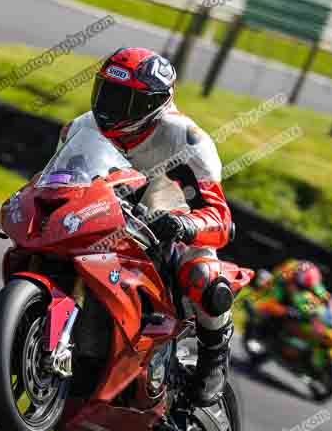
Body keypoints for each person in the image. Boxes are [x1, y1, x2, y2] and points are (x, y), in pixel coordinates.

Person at [57, 47, 234, 407]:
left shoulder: (186, 140)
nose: (111, 106)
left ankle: (214, 355)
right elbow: (57, 181)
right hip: (107, 217)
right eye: (107, 92)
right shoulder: (81, 127)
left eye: (125, 99)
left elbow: (222, 221)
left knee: (204, 275)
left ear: (154, 103)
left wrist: (183, 225)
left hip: (170, 226)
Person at [253, 260, 329, 325]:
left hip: (305, 312)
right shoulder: (286, 276)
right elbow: (277, 288)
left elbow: (322, 295)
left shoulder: (312, 286)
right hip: (289, 305)